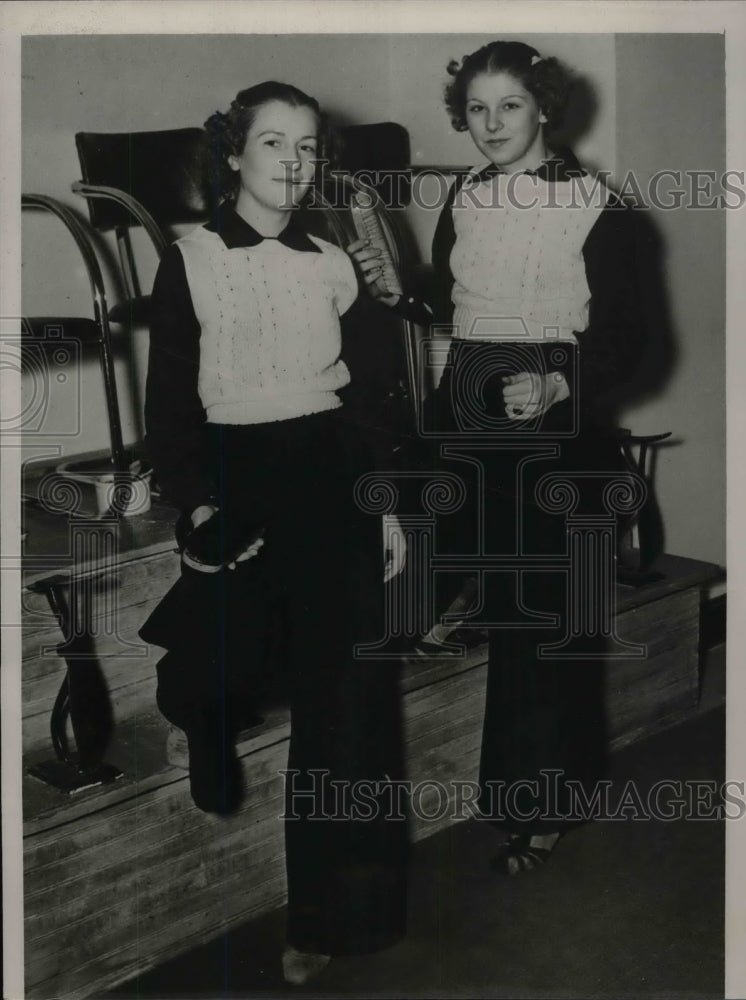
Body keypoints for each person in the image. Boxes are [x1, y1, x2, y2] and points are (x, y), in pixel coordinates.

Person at [351, 41, 647, 874]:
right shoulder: (469, 195)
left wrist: (558, 384)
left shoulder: (599, 206)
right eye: (476, 110)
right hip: (468, 403)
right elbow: (455, 299)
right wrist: (398, 293)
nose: (490, 125)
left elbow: (632, 341)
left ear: (543, 108)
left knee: (542, 619)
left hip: (556, 421)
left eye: (508, 107)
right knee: (421, 569)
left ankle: (540, 808)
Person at [139, 82, 407, 983]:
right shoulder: (190, 260)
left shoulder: (333, 261)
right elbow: (169, 403)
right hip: (235, 471)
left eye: (307, 147)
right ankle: (205, 721)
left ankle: (327, 918)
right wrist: (198, 500)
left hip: (329, 470)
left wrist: (386, 501)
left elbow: (368, 403)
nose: (292, 163)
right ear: (235, 155)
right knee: (212, 661)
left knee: (347, 708)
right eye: (272, 144)